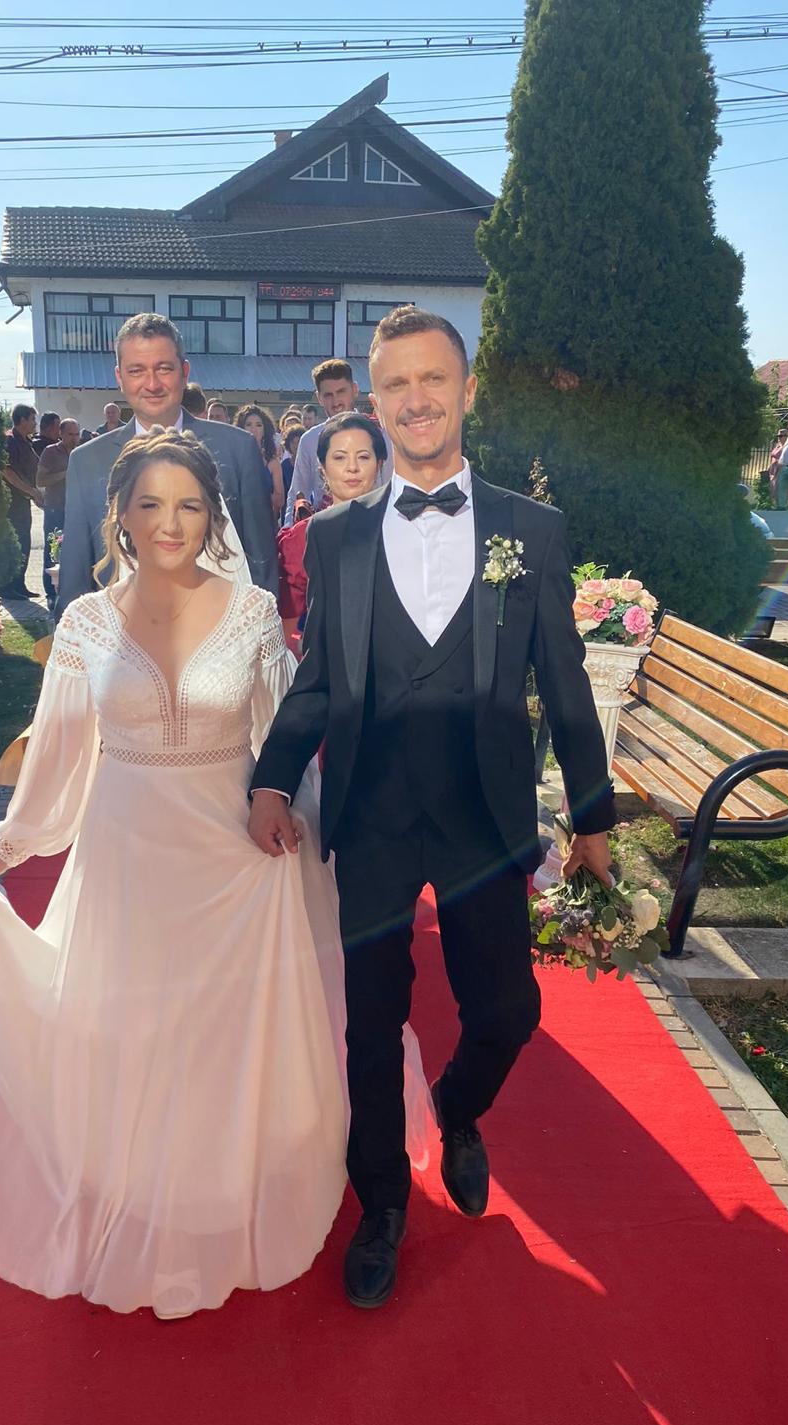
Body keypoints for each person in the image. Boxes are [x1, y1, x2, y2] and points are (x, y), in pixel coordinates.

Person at [0, 430, 420, 1320]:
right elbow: (62, 750)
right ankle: (145, 1192)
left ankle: (230, 1190)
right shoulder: (87, 622)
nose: (170, 523)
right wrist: (10, 846)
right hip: (127, 858)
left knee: (224, 1033)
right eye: (150, 504)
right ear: (120, 516)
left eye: (189, 505)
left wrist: (304, 816)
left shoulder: (252, 611)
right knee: (134, 1024)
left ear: (212, 516)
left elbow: (282, 737)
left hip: (236, 857)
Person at [249, 306, 616, 1311]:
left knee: (509, 1009)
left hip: (482, 813)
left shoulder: (530, 530)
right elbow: (319, 679)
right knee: (372, 1021)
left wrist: (592, 817)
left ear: (466, 391)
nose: (416, 400)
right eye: (397, 384)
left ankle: (455, 1108)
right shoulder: (335, 535)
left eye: (434, 379)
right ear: (375, 402)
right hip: (371, 812)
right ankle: (381, 1206)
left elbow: (567, 684)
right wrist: (272, 778)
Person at [56, 313, 277, 609]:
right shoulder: (87, 461)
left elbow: (261, 561)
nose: (152, 384)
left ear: (184, 372)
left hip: (221, 627)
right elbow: (75, 575)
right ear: (120, 377)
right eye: (137, 371)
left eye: (164, 369)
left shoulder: (237, 450)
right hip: (120, 631)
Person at [278, 412, 385, 647]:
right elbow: (289, 632)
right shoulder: (301, 540)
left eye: (363, 457)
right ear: (322, 467)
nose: (352, 468)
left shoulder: (398, 531)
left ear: (379, 464)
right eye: (339, 458)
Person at [285, 360, 392, 523]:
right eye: (328, 395)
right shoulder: (309, 440)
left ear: (354, 390)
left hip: (376, 523)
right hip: (326, 528)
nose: (336, 402)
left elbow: (391, 485)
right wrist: (289, 533)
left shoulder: (380, 432)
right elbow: (297, 493)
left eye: (341, 392)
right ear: (319, 398)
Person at [36, 417, 82, 607]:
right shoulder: (50, 452)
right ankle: (50, 592)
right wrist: (65, 473)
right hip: (56, 508)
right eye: (70, 434)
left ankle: (71, 589)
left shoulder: (82, 452)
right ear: (61, 434)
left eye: (76, 434)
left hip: (76, 510)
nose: (74, 438)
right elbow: (40, 480)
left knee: (76, 550)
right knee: (53, 550)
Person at [1, 403, 44, 600]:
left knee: (24, 542)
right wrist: (30, 491)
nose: (35, 423)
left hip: (23, 501)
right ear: (22, 420)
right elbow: (7, 471)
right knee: (14, 543)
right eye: (32, 419)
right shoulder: (10, 440)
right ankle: (7, 587)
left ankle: (19, 584)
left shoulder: (26, 441)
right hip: (12, 502)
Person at [235, 403, 285, 525]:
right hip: (239, 522)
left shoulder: (272, 461)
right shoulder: (234, 459)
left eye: (258, 425)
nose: (253, 429)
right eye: (248, 424)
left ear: (265, 429)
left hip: (265, 523)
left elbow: (280, 500)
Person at [280, 423, 304, 503]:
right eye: (293, 442)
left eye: (298, 442)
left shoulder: (309, 464)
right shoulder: (284, 465)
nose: (296, 446)